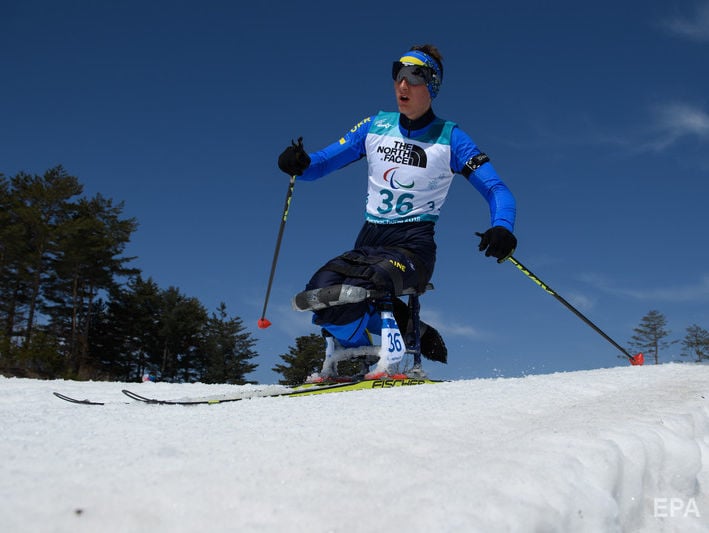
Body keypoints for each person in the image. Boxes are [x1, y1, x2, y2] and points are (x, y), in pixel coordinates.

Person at [277, 44, 517, 375]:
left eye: (414, 77)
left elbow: (497, 189)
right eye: (397, 75)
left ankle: (391, 351)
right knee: (320, 290)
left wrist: (502, 226)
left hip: (413, 246)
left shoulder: (452, 139)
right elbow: (318, 165)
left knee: (368, 287)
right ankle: (362, 350)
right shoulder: (374, 126)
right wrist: (299, 163)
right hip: (369, 243)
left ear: (431, 85)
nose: (402, 85)